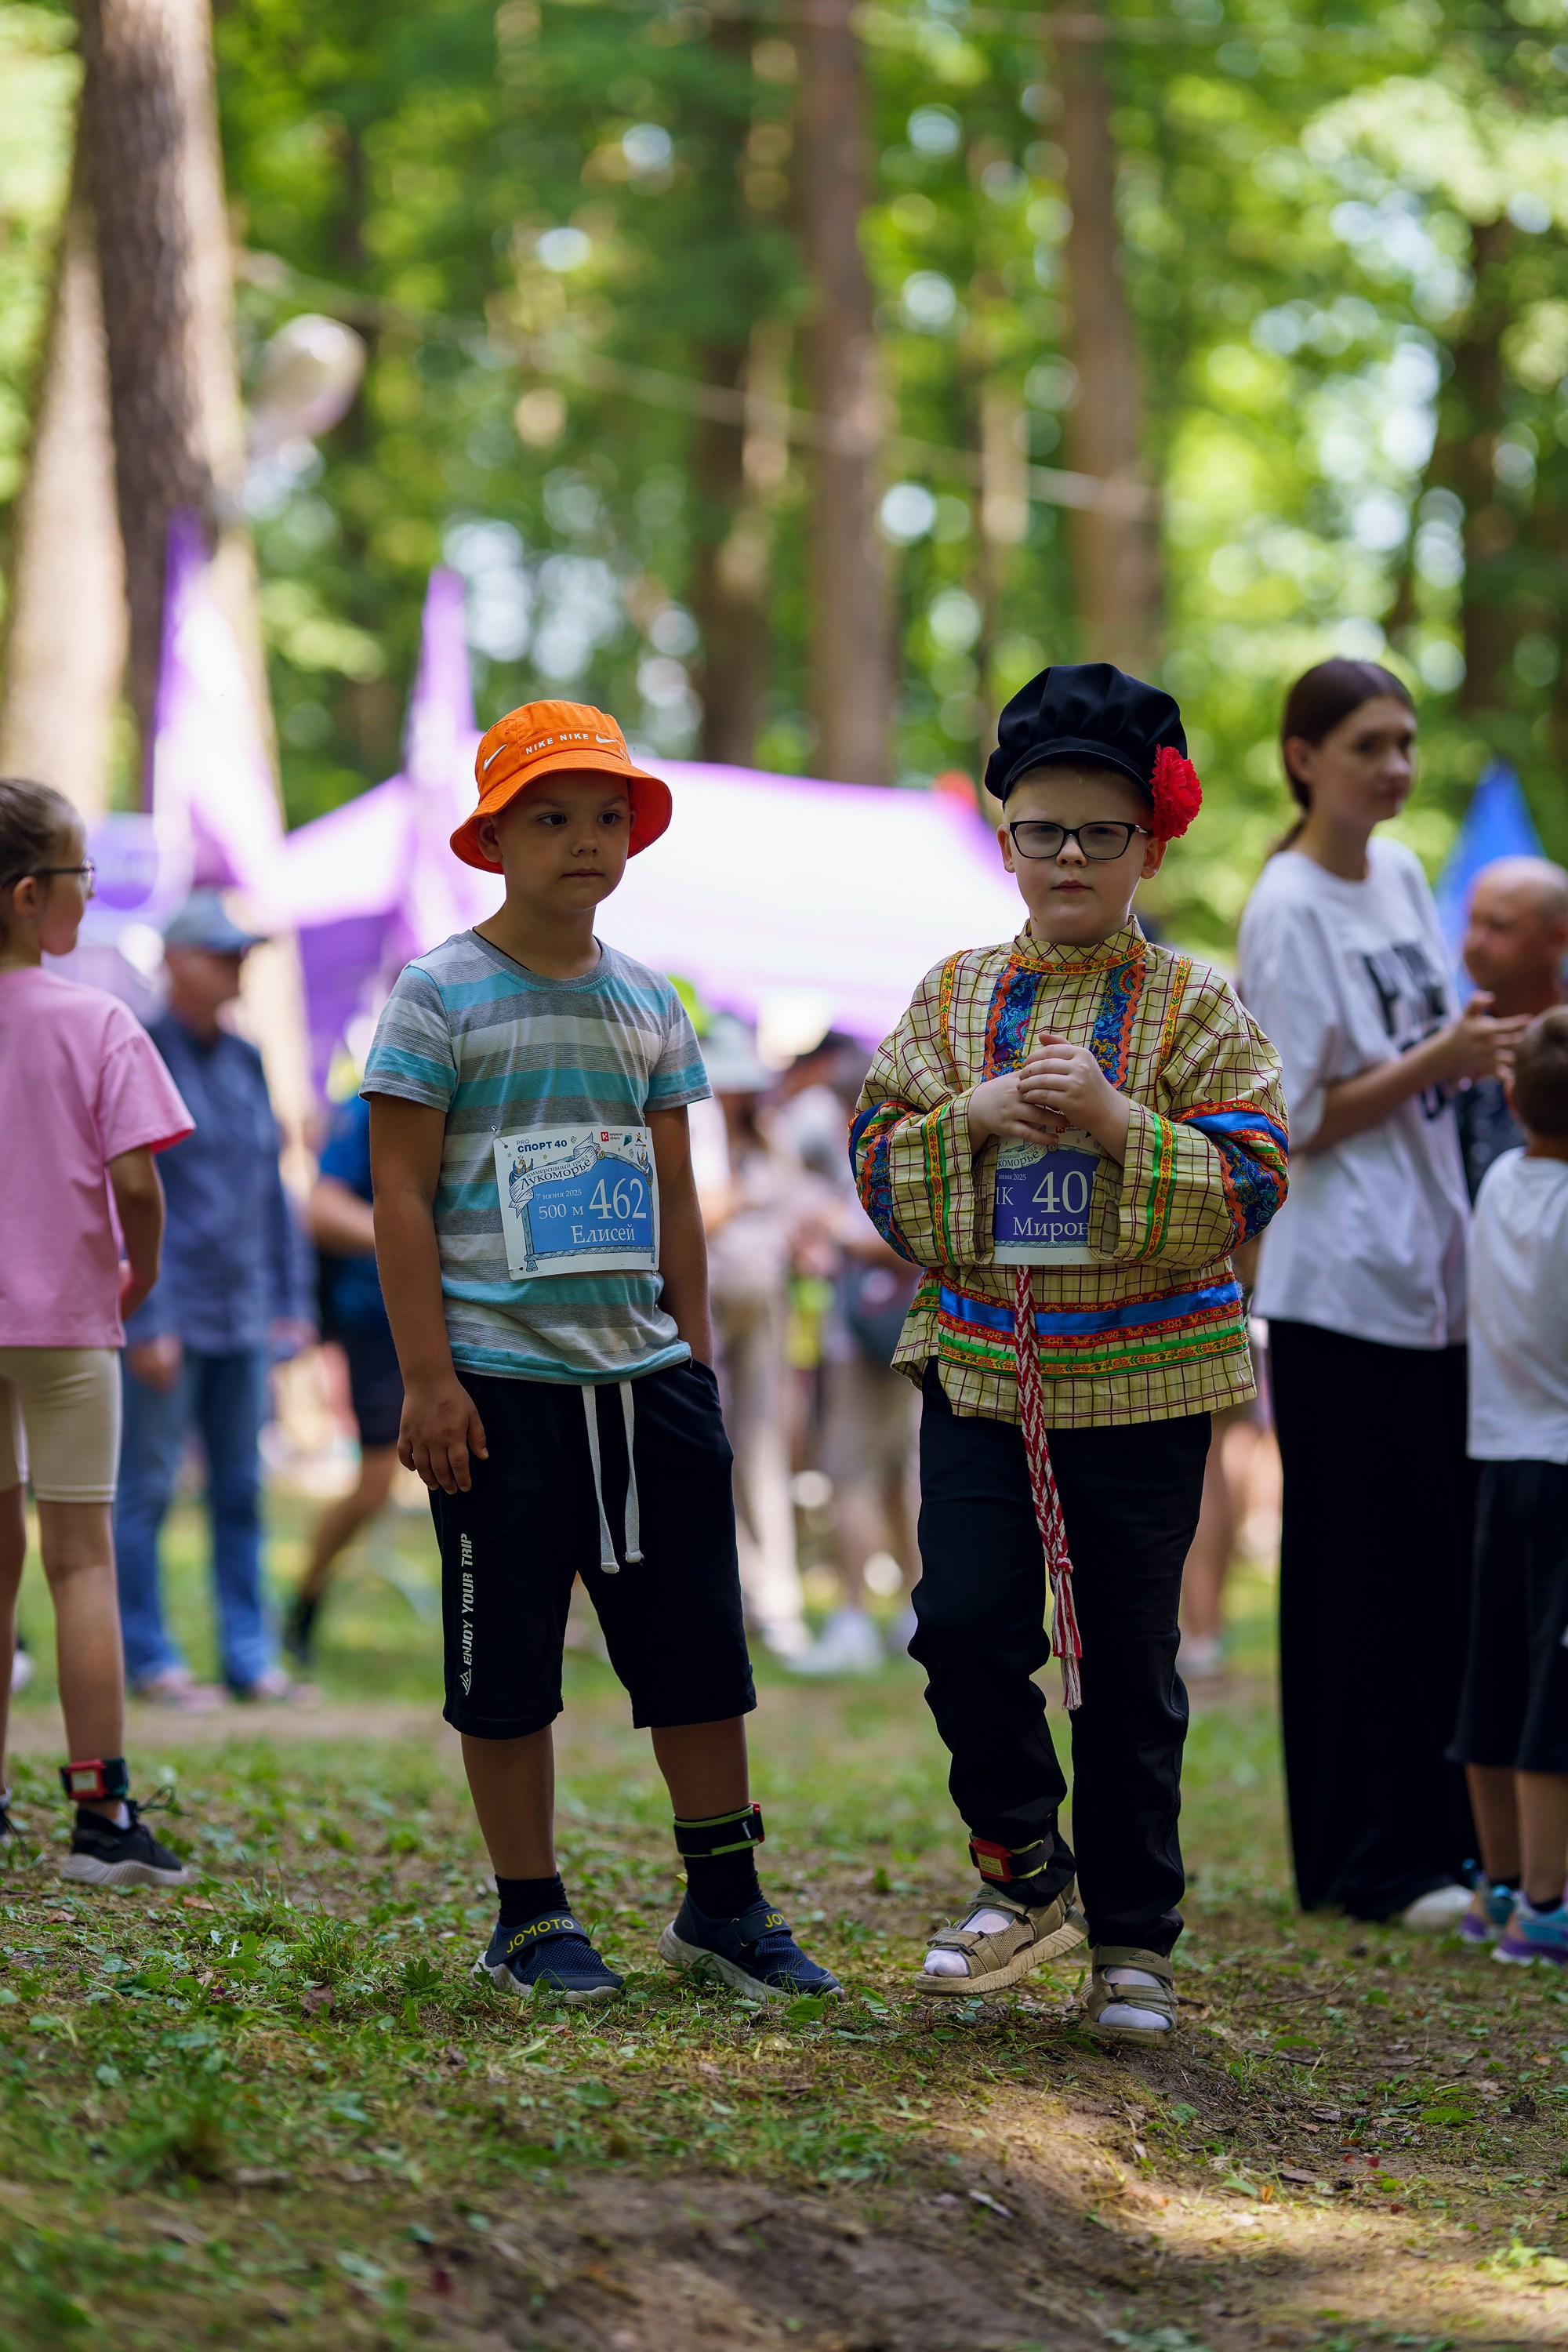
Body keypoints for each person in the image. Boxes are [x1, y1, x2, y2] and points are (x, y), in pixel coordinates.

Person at [363, 699, 837, 2005]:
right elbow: (399, 1197)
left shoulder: (649, 1004)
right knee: (506, 1668)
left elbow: (681, 1197)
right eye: (553, 818)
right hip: (498, 1396)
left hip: (647, 1392)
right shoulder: (436, 994)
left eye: (606, 817)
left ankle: (724, 1901)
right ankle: (530, 1915)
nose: (585, 840)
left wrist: (689, 1358)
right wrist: (427, 1377)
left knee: (698, 1651)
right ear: (494, 840)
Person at [853, 663, 1288, 2040]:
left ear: (1151, 846)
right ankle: (1024, 1868)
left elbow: (1255, 1178)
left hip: (1151, 1382)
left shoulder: (1200, 1006)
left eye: (1102, 833)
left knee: (1123, 1665)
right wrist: (973, 1115)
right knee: (964, 1624)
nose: (1071, 857)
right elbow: (877, 1169)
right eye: (1044, 830)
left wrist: (1115, 1121)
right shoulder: (949, 997)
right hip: (984, 1368)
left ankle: (1135, 1938)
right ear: (1007, 844)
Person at [1237, 659, 1532, 1930]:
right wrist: (1443, 1056)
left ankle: (1446, 1846)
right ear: (1305, 757)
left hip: (1437, 1275)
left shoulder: (1405, 878)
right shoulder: (1287, 906)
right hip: (1338, 1285)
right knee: (1351, 1576)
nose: (1397, 767)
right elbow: (1293, 1118)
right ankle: (1361, 1861)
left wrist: (1475, 1065)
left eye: (1407, 741)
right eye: (1370, 744)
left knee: (1437, 1564)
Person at [0, 777, 192, 1886]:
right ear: (33, 897)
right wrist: (144, 1266)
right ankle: (101, 1816)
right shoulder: (98, 1021)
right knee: (78, 1562)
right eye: (81, 877)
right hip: (69, 1322)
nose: (90, 894)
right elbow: (139, 1182)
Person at [114, 892, 312, 1706]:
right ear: (176, 961)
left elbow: (271, 1189)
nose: (236, 968)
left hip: (244, 1312)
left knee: (241, 1488)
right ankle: (149, 1656)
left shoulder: (245, 1059)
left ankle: (248, 1655)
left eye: (241, 955)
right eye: (221, 954)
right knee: (149, 1486)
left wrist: (292, 1299)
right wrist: (146, 1314)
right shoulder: (137, 1053)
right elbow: (122, 1192)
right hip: (170, 1313)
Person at [1452, 1010, 1568, 1963]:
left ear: (1506, 1095)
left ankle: (1492, 1888)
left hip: (1496, 1461)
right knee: (1551, 1693)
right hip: (1561, 1466)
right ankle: (1546, 1903)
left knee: (1492, 1672)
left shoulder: (1496, 1181)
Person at [697, 1014, 811, 1661]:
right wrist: (737, 1197)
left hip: (763, 1304)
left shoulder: (771, 1137)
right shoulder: (688, 1130)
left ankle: (775, 1603)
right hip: (704, 1306)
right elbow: (701, 1215)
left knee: (764, 1453)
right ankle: (721, 1599)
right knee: (709, 1451)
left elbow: (795, 1213)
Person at [284, 1090, 405, 1667]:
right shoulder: (370, 1107)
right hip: (381, 1321)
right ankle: (304, 1600)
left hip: (471, 1319)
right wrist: (410, 1239)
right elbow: (322, 1209)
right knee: (375, 1484)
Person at [792, 1196, 921, 1675]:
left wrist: (839, 1235)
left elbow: (914, 1244)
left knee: (852, 1481)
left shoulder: (886, 1134)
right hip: (891, 1338)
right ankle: (913, 1615)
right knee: (893, 1482)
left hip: (872, 1348)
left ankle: (854, 1621)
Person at [1455, 856, 1568, 1200]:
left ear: (1557, 937)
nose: (1475, 943)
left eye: (1499, 926)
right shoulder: (1453, 1042)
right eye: (1472, 923)